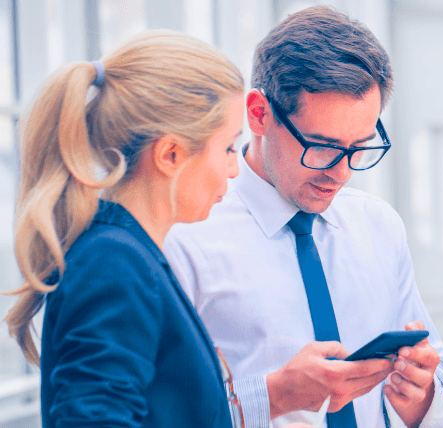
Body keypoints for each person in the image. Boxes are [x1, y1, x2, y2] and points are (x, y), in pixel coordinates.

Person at [163, 5, 443, 428]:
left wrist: (421, 402)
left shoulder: (378, 227)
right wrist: (271, 397)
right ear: (258, 115)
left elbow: (440, 387)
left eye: (359, 147)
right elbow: (153, 409)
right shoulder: (185, 240)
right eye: (323, 147)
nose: (341, 172)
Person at [2, 30, 255, 427]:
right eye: (226, 147)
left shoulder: (127, 255)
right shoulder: (114, 264)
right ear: (170, 154)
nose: (234, 167)